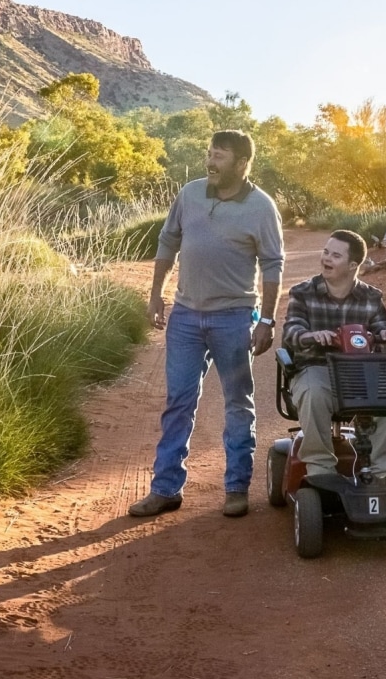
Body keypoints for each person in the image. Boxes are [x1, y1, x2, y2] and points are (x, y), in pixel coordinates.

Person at [130, 130, 285, 519]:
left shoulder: (262, 207)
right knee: (178, 402)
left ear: (242, 163)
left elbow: (272, 265)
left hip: (233, 317)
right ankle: (165, 489)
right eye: (209, 154)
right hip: (184, 316)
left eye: (219, 156)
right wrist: (155, 294)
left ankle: (236, 487)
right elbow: (168, 241)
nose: (210, 162)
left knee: (237, 403)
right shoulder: (190, 194)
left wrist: (266, 319)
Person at [282, 230, 386, 480]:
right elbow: (291, 331)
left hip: (357, 373)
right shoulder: (302, 292)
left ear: (353, 265)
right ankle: (320, 469)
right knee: (314, 392)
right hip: (316, 367)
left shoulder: (371, 297)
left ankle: (382, 472)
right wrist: (312, 336)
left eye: (335, 255)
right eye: (326, 252)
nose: (326, 258)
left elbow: (384, 328)